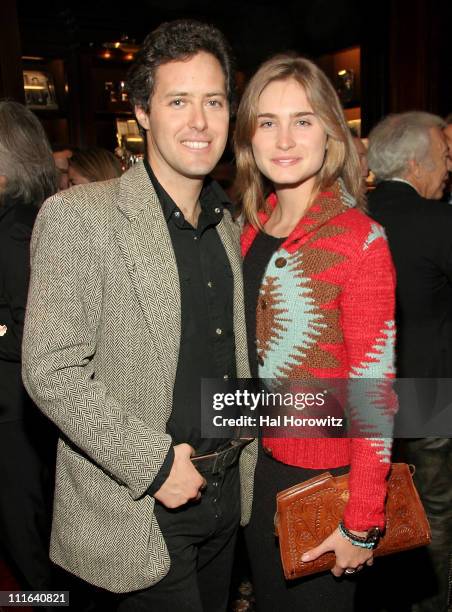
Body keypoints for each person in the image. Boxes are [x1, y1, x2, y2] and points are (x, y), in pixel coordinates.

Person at [22, 19, 256, 612]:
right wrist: (153, 467)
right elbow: (50, 370)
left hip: (226, 495)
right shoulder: (80, 217)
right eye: (178, 101)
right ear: (143, 112)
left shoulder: (228, 225)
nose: (199, 121)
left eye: (213, 101)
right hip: (140, 510)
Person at [234, 55, 396, 611]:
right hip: (253, 473)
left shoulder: (361, 240)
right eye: (267, 120)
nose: (284, 138)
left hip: (324, 481)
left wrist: (363, 519)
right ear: (248, 136)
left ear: (332, 132)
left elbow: (374, 390)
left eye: (303, 120)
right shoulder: (249, 229)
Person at [367, 111, 452, 612]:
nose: (448, 169)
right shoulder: (441, 221)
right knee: (435, 513)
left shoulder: (351, 215)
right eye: (444, 159)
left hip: (360, 396)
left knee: (369, 502)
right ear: (418, 163)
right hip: (431, 394)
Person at [0, 100, 58, 591]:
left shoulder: (17, 227)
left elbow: (30, 335)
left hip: (16, 416)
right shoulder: (25, 218)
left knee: (28, 545)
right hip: (21, 413)